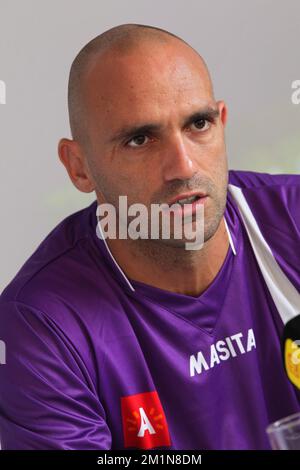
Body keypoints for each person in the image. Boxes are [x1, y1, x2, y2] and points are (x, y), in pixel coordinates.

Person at [0, 23, 299, 450]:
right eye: (140, 139)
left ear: (222, 122)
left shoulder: (293, 221)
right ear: (79, 167)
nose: (183, 166)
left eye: (198, 124)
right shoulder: (42, 325)